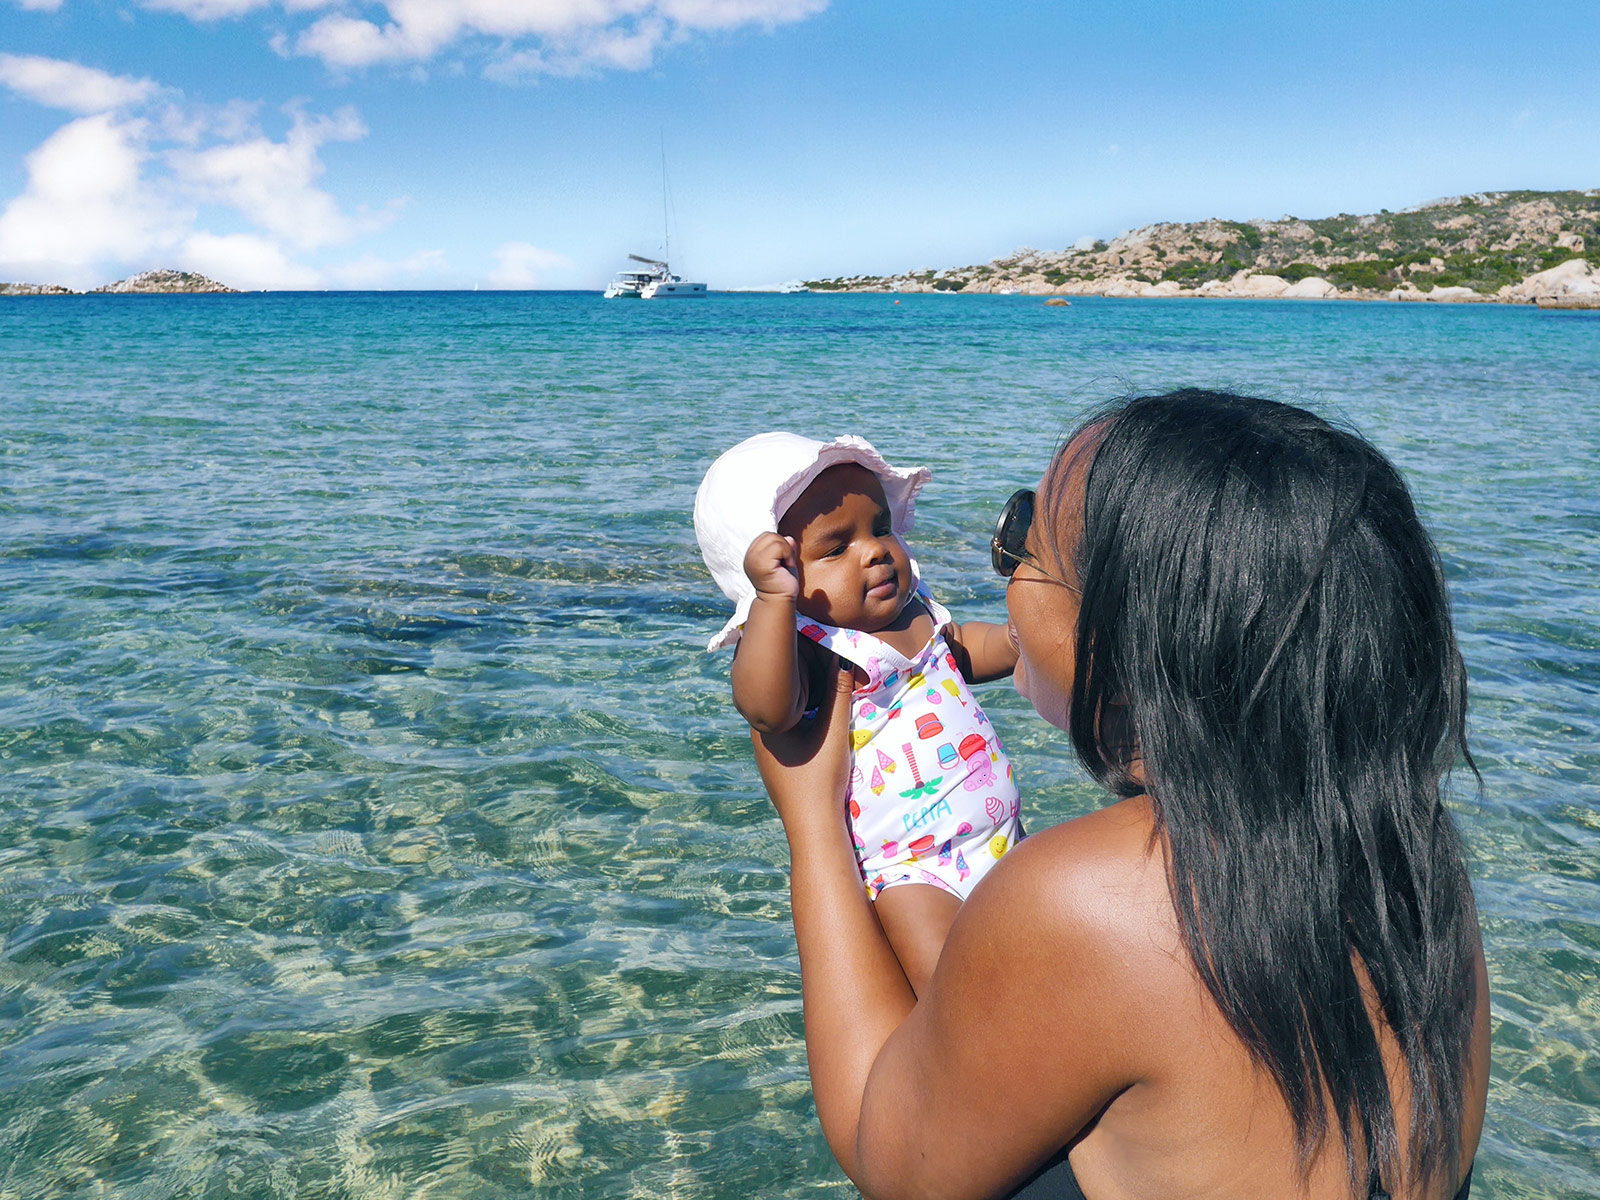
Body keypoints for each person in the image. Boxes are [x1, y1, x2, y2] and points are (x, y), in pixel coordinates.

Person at [750, 392, 1490, 1200]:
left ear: (1126, 630)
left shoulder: (1081, 901)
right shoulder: (1418, 859)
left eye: (1021, 542)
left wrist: (811, 821)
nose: (1004, 569)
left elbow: (889, 1156)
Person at [695, 432, 1024, 995]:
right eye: (835, 547)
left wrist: (1024, 639)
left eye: (880, 527)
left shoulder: (913, 610)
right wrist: (771, 604)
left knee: (1034, 962)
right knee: (963, 998)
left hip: (1003, 837)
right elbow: (766, 709)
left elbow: (963, 649)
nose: (874, 550)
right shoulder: (814, 643)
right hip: (911, 874)